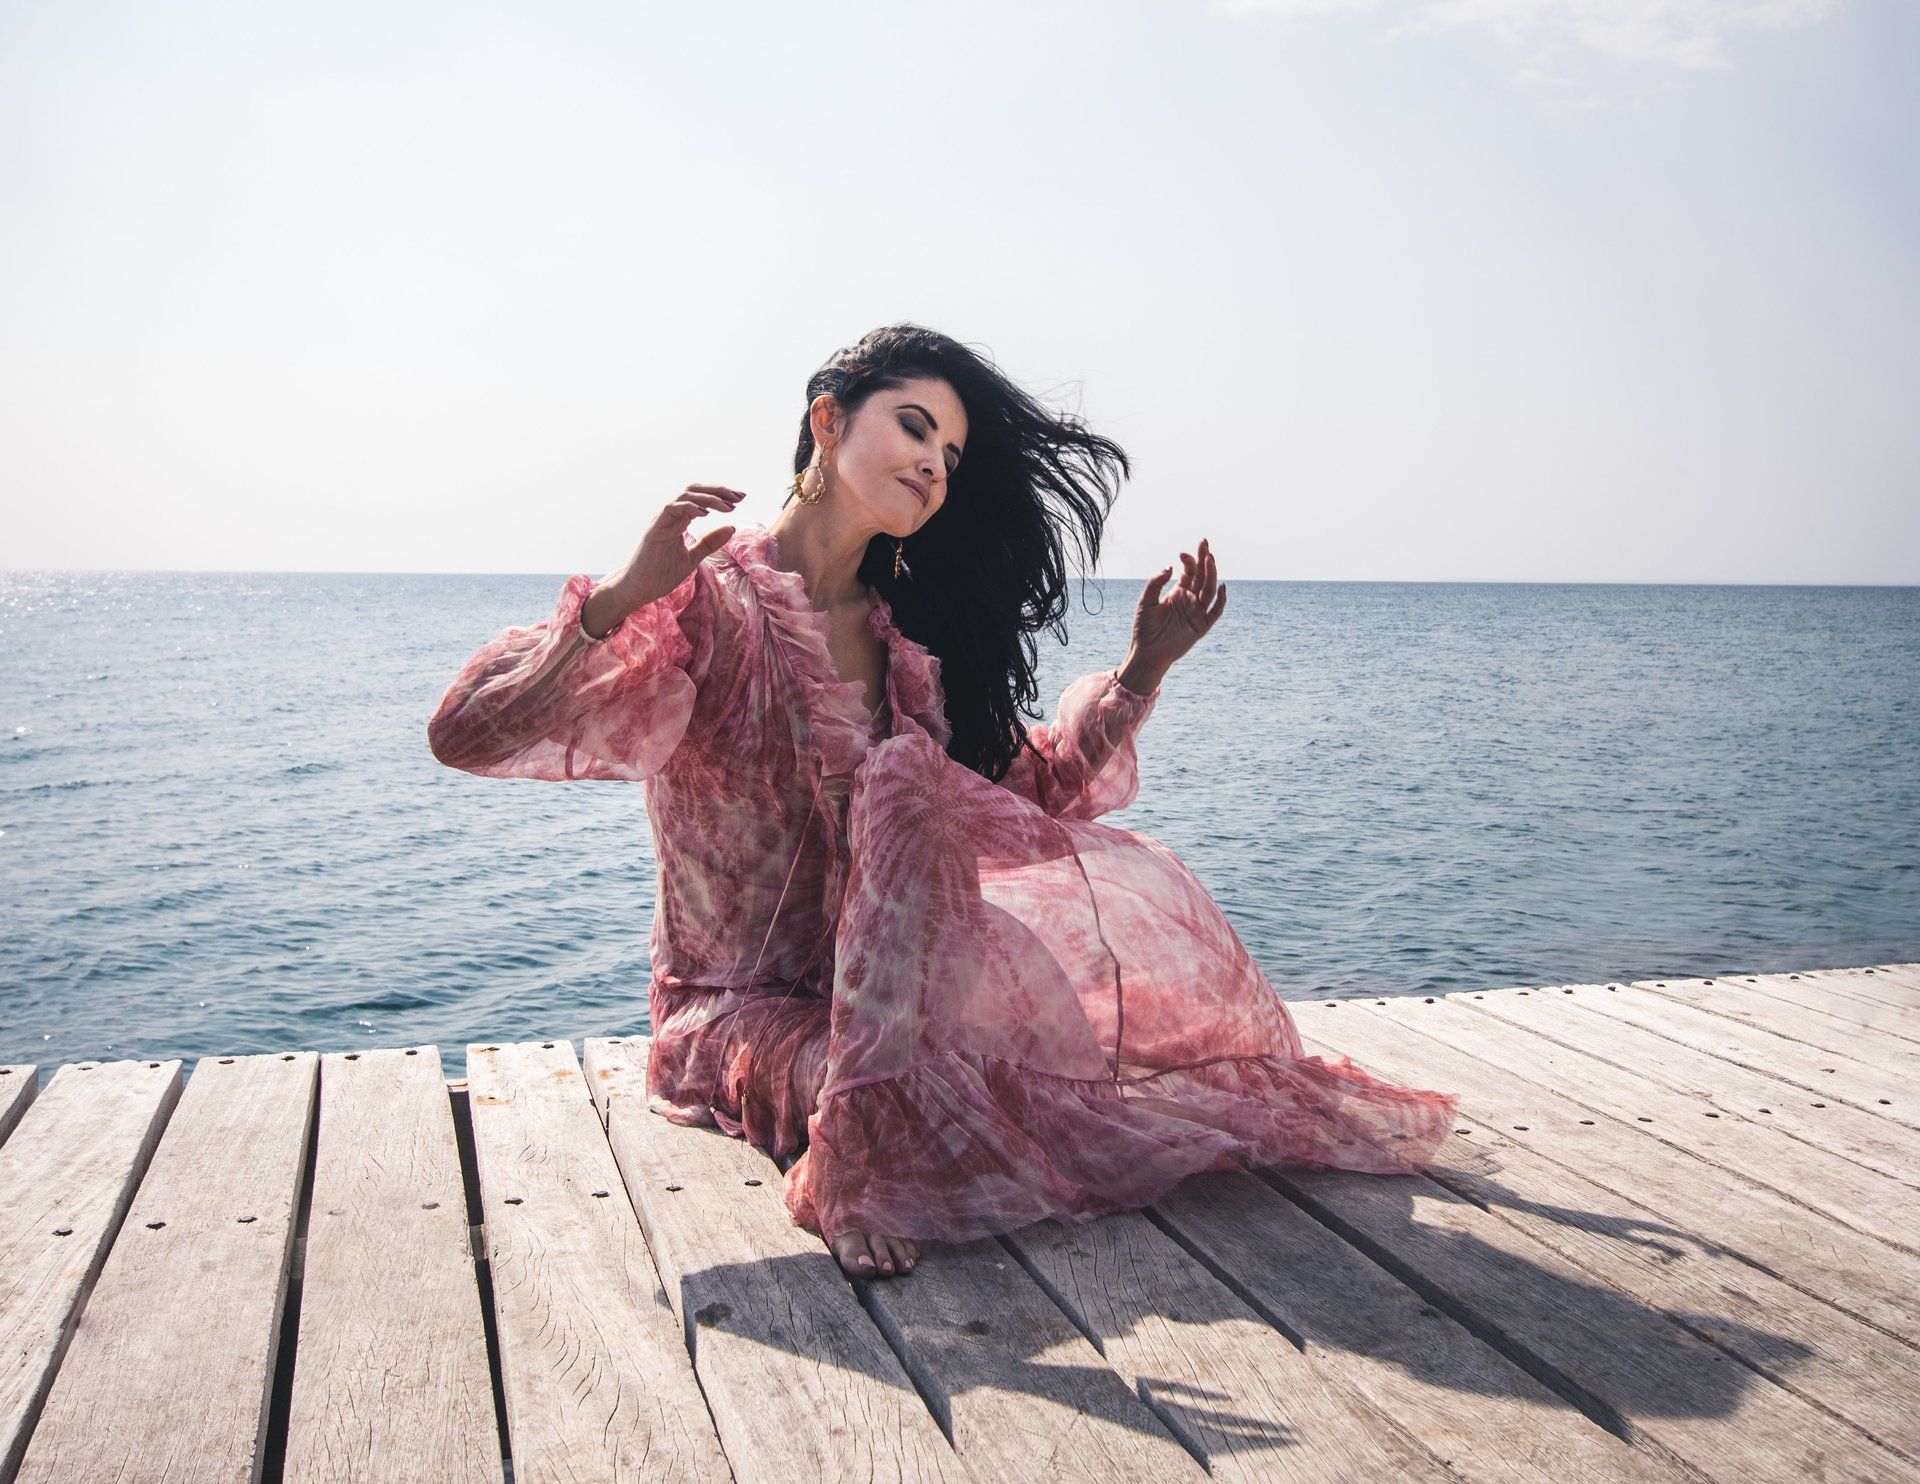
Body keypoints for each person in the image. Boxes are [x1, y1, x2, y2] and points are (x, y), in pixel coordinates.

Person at [427, 324, 1460, 1282]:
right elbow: (467, 732)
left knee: (1063, 1067)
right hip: (739, 1009)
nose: (933, 463)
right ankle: (855, 1156)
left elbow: (1030, 798)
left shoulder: (905, 652)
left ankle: (884, 1103)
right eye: (915, 428)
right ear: (828, 420)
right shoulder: (706, 602)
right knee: (904, 1068)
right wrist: (619, 599)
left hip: (902, 1000)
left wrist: (1143, 667)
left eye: (952, 457)